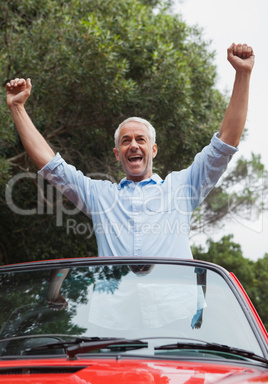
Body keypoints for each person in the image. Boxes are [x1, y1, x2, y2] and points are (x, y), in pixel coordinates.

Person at [6, 43, 255, 258]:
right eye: (125, 141)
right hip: (117, 311)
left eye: (140, 139)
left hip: (173, 311)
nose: (133, 145)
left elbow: (224, 145)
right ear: (117, 154)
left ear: (153, 150)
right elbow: (51, 166)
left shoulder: (182, 188)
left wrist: (242, 74)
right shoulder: (99, 196)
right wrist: (17, 108)